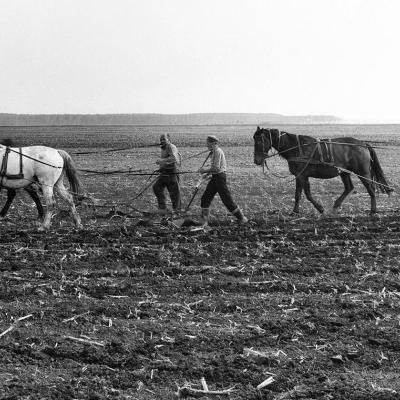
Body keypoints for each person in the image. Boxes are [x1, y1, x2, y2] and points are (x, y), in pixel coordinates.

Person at [198, 135, 248, 226]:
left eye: (208, 143)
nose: (207, 145)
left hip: (219, 178)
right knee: (205, 198)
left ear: (214, 143)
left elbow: (216, 168)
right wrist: (207, 174)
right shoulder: (214, 152)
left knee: (227, 200)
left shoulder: (217, 152)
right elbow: (215, 168)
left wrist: (204, 170)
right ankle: (204, 221)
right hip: (215, 177)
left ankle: (242, 218)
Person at [153, 133, 181, 214]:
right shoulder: (164, 148)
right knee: (156, 187)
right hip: (164, 172)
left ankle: (177, 211)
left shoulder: (171, 147)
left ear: (169, 140)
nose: (162, 141)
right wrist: (160, 168)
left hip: (172, 172)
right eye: (161, 140)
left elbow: (173, 159)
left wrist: (161, 161)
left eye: (164, 139)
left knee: (174, 193)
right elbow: (166, 160)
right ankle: (163, 209)